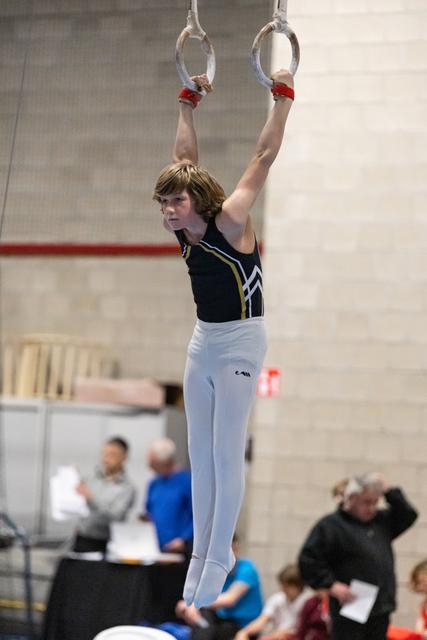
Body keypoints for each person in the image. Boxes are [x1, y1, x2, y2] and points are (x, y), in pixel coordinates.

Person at [153, 68, 294, 608]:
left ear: (197, 201)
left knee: (226, 450)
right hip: (203, 340)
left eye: (175, 203)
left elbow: (261, 160)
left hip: (241, 342)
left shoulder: (232, 219)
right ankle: (202, 555)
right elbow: (183, 158)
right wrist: (187, 103)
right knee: (199, 453)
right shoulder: (184, 231)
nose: (168, 212)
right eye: (163, 205)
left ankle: (219, 553)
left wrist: (281, 99)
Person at [298, 472, 418, 640]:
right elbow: (308, 560)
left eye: (375, 502)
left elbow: (408, 515)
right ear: (351, 499)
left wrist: (389, 491)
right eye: (366, 502)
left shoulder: (381, 521)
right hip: (350, 606)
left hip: (381, 605)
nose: (371, 508)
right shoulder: (331, 525)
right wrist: (331, 585)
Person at [175, 534, 263, 640]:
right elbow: (201, 595)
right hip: (223, 619)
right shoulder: (215, 570)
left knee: (211, 627)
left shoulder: (247, 568)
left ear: (235, 547)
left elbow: (230, 599)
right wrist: (188, 608)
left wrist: (194, 603)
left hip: (243, 626)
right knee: (201, 617)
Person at [72, 436, 136, 553]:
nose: (106, 458)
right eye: (105, 454)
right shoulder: (91, 480)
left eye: (112, 454)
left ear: (124, 457)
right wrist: (72, 478)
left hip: (105, 543)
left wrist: (91, 499)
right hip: (82, 538)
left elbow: (116, 517)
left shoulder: (127, 488)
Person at [142, 437, 193, 555]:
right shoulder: (153, 484)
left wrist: (184, 539)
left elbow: (197, 516)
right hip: (156, 548)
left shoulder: (186, 482)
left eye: (153, 463)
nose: (149, 466)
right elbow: (149, 512)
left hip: (180, 549)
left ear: (165, 462)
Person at [235, 564, 310, 640]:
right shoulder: (278, 598)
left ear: (299, 586)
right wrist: (244, 632)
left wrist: (286, 633)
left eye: (287, 586)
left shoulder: (308, 602)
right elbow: (262, 620)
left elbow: (307, 630)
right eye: (283, 585)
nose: (283, 589)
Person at [410, 559, 427, 638]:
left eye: (423, 583)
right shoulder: (423, 604)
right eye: (419, 583)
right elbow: (419, 627)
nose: (421, 587)